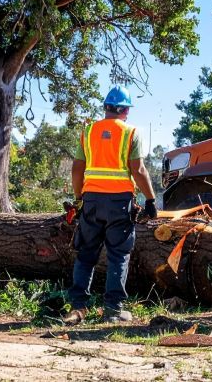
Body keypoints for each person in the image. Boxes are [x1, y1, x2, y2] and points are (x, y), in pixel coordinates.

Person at [63, 85, 158, 325]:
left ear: (106, 108)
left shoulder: (89, 131)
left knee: (86, 255)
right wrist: (150, 199)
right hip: (119, 203)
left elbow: (77, 168)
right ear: (125, 110)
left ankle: (77, 308)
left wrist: (79, 198)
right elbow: (138, 170)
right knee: (118, 255)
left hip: (92, 201)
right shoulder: (131, 132)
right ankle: (113, 310)